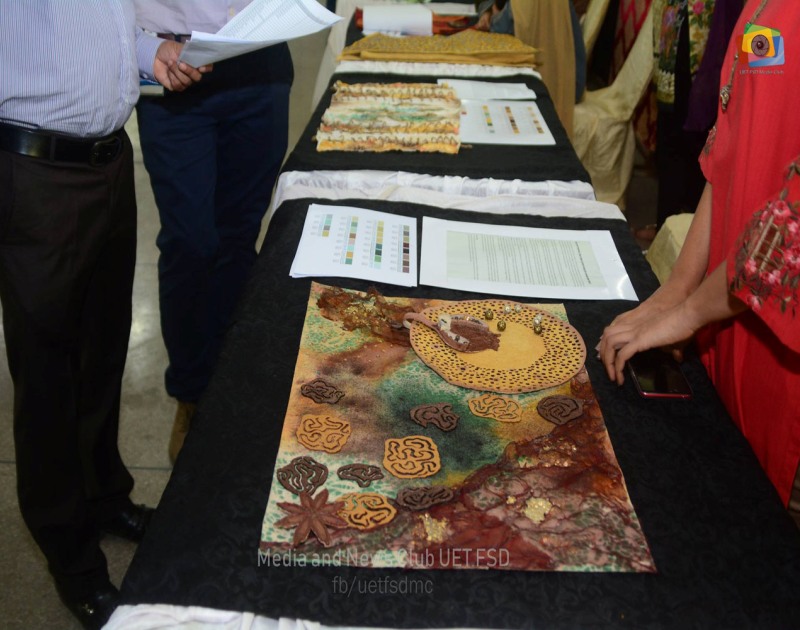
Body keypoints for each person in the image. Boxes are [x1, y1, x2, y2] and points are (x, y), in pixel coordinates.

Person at [0, 3, 204, 628]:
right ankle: (70, 555)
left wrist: (148, 52)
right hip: (36, 171)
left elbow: (99, 25)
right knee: (48, 377)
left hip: (108, 161)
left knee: (101, 353)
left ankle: (104, 495)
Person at [599, 0, 800, 525]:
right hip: (728, 314)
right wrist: (678, 290)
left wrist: (689, 311)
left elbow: (790, 233)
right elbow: (729, 152)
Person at [132, 1, 294, 464]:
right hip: (173, 62)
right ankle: (190, 392)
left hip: (260, 60)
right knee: (190, 242)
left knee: (239, 237)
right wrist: (141, 47)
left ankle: (228, 385)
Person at [475, 0, 586, 137]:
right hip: (570, 84)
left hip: (545, 91)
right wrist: (488, 11)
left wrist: (494, 15)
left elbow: (500, 30)